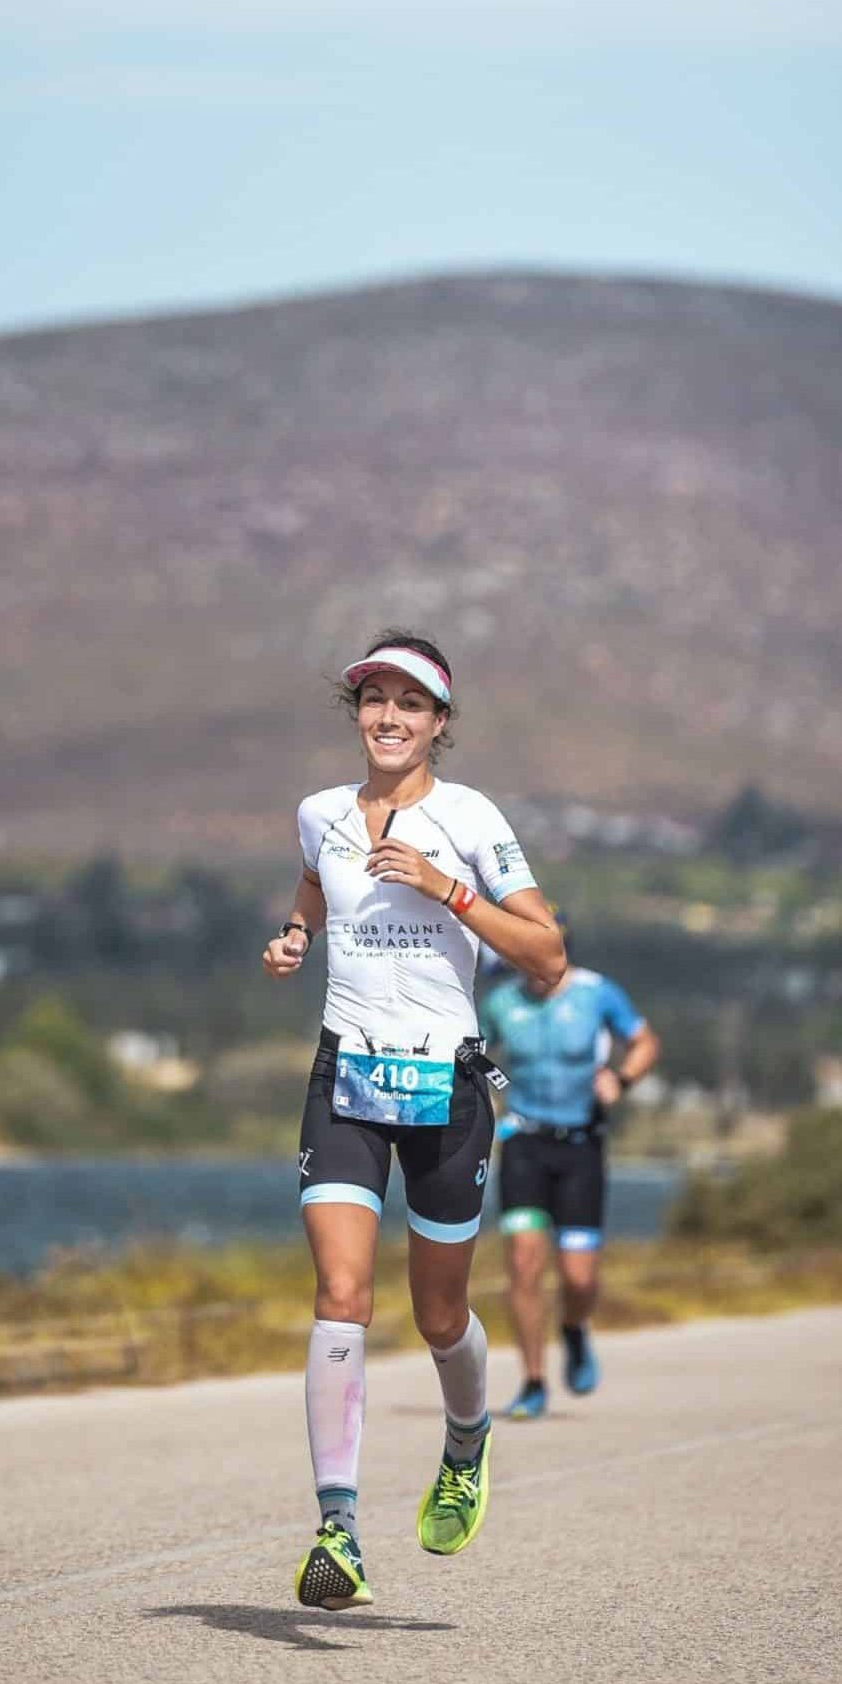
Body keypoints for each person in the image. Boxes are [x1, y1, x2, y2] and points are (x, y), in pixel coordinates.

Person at [262, 630, 564, 1610]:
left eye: (409, 703)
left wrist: (448, 888)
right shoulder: (319, 814)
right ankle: (337, 1530)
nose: (387, 717)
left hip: (448, 1089)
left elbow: (548, 955)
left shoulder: (471, 816)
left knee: (439, 1312)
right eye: (372, 699)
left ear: (439, 722)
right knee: (342, 1291)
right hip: (345, 1076)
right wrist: (300, 931)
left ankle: (467, 1441)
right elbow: (317, 874)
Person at [480, 922, 660, 1419]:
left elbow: (645, 1042)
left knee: (579, 1279)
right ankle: (533, 1380)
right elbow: (469, 1054)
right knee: (523, 1264)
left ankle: (575, 1329)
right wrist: (483, 1098)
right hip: (523, 1144)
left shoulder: (597, 993)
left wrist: (621, 1080)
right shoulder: (500, 1003)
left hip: (581, 1146)